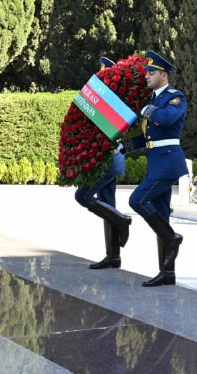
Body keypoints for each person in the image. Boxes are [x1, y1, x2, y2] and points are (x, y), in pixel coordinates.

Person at [122, 50, 188, 287]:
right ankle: (167, 273)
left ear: (163, 75)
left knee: (137, 200)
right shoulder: (153, 101)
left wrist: (144, 110)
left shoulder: (175, 97)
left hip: (168, 164)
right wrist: (124, 147)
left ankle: (172, 238)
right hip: (156, 163)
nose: (147, 75)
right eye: (147, 72)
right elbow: (147, 137)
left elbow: (168, 118)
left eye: (151, 72)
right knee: (162, 216)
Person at [74, 57, 131, 269]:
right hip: (107, 161)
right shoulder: (100, 104)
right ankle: (113, 256)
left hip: (108, 161)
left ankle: (122, 220)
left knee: (82, 196)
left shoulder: (114, 103)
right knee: (107, 205)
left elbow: (110, 134)